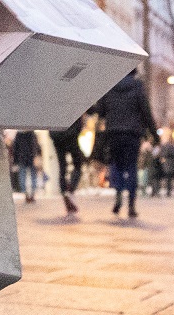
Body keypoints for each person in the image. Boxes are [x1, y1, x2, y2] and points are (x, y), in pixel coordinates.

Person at [90, 71, 158, 218]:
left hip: (113, 132)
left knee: (118, 166)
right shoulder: (137, 85)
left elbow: (101, 111)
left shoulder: (109, 86)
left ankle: (119, 196)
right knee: (131, 167)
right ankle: (132, 205)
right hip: (132, 133)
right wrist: (154, 133)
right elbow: (145, 110)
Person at [50, 116, 87, 215]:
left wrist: (52, 133)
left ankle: (65, 193)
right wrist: (77, 130)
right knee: (78, 164)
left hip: (57, 136)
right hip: (71, 134)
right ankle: (70, 190)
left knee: (62, 167)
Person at [9, 129, 41, 203]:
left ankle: (26, 194)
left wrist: (15, 160)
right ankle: (32, 195)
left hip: (22, 158)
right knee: (33, 177)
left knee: (22, 176)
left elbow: (15, 148)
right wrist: (37, 155)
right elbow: (35, 145)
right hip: (31, 157)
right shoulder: (31, 133)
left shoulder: (18, 134)